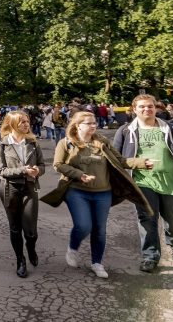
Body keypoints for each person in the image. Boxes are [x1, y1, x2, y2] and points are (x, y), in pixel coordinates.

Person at [41, 111, 153, 279]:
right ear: (78, 125)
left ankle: (97, 263)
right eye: (89, 123)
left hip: (103, 192)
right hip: (76, 191)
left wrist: (142, 163)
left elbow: (121, 161)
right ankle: (73, 247)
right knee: (84, 225)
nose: (94, 125)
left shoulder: (102, 142)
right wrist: (79, 175)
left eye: (94, 123)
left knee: (100, 229)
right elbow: (58, 165)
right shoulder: (66, 143)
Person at [113, 94, 173, 272]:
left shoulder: (172, 130)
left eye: (150, 106)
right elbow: (116, 159)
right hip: (142, 182)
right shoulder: (125, 130)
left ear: (156, 108)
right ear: (134, 109)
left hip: (171, 182)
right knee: (147, 219)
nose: (147, 109)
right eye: (142, 106)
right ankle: (150, 256)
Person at [0, 110, 45, 278]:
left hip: (29, 189)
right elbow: (0, 171)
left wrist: (38, 170)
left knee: (31, 232)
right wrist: (24, 170)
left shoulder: (33, 142)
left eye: (27, 121)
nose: (26, 124)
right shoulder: (1, 145)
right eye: (22, 121)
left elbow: (43, 165)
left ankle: (31, 248)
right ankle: (20, 260)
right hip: (10, 189)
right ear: (12, 124)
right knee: (15, 228)